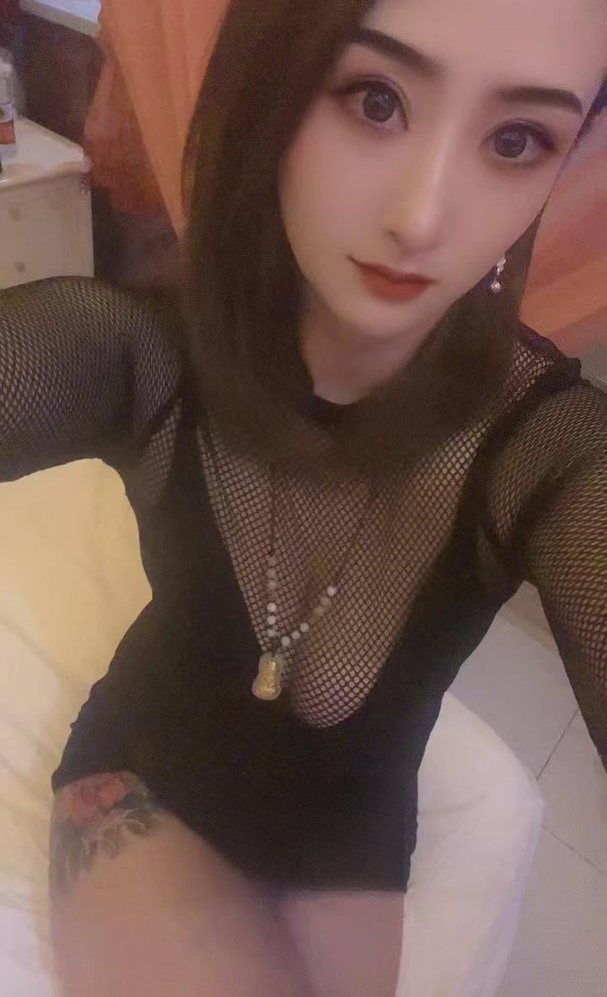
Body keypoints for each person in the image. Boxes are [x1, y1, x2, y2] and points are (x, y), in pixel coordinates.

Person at [1, 0, 606, 994]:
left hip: (355, 836)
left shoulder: (542, 447)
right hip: (149, 780)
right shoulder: (142, 354)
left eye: (514, 140)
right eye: (375, 99)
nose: (422, 216)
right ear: (271, 92)